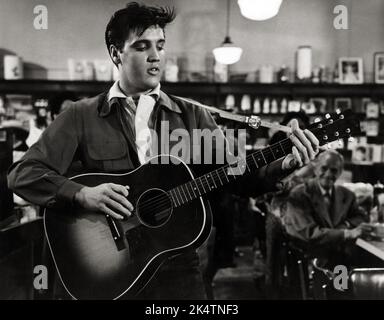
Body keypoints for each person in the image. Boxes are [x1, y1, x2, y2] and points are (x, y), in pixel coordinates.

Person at [7, 2, 319, 299]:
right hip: (108, 271)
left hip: (177, 270)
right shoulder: (79, 115)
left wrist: (285, 162)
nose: (156, 56)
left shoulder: (194, 116)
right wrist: (81, 194)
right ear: (116, 54)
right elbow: (23, 174)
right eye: (142, 46)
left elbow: (237, 176)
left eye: (161, 45)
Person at [283, 150, 370, 267]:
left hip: (337, 256)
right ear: (316, 169)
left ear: (340, 173)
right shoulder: (299, 194)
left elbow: (361, 217)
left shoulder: (347, 195)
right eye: (324, 168)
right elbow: (310, 234)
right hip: (308, 259)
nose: (328, 174)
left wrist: (346, 225)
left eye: (334, 170)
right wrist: (346, 234)